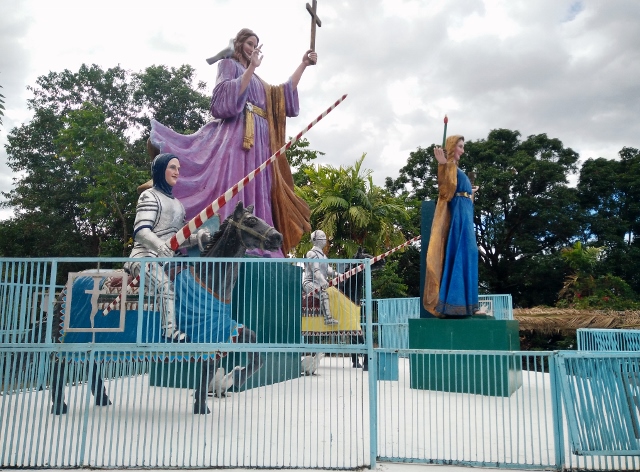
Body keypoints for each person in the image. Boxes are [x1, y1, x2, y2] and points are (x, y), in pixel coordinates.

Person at [148, 28, 316, 256]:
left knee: (259, 188)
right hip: (238, 135)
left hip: (261, 141)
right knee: (237, 182)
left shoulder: (259, 81)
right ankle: (228, 241)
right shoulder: (228, 65)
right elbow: (222, 100)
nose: (252, 48)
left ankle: (258, 242)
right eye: (249, 43)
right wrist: (252, 67)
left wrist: (303, 65)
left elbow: (280, 96)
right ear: (239, 45)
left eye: (255, 45)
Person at [125, 153, 211, 342]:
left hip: (168, 259)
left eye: (178, 168)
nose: (177, 172)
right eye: (172, 167)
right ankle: (169, 331)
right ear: (160, 170)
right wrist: (159, 246)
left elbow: (176, 240)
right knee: (165, 286)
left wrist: (197, 238)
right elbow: (141, 231)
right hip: (145, 257)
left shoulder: (178, 205)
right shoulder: (149, 196)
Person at [423, 135, 484, 317]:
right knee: (462, 252)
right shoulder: (449, 167)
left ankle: (469, 305)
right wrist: (443, 164)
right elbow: (446, 191)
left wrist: (470, 191)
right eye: (460, 146)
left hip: (465, 213)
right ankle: (455, 304)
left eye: (463, 147)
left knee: (470, 253)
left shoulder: (457, 169)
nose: (462, 151)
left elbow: (461, 193)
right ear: (451, 147)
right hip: (459, 216)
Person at [302, 230, 339, 325]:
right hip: (310, 282)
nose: (324, 239)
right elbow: (316, 271)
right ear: (315, 239)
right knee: (323, 294)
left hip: (320, 283)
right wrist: (323, 281)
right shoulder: (311, 253)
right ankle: (328, 319)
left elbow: (328, 270)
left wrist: (339, 275)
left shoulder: (324, 256)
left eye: (324, 237)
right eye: (322, 237)